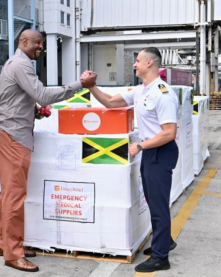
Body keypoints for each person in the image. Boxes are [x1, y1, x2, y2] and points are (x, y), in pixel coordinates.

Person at [0, 29, 96, 272]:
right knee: (14, 197)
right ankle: (13, 254)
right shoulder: (22, 65)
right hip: (14, 137)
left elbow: (11, 99)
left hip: (11, 132)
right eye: (38, 43)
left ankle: (6, 243)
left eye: (42, 43)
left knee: (9, 195)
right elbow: (42, 95)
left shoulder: (17, 63)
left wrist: (30, 111)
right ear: (24, 42)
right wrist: (80, 85)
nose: (41, 47)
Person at [81, 47, 179, 273]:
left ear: (150, 64)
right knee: (153, 200)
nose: (134, 64)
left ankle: (161, 256)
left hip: (160, 152)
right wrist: (91, 87)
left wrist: (140, 146)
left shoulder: (162, 94)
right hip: (151, 152)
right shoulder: (141, 90)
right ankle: (165, 242)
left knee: (158, 204)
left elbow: (169, 133)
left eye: (138, 61)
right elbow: (109, 102)